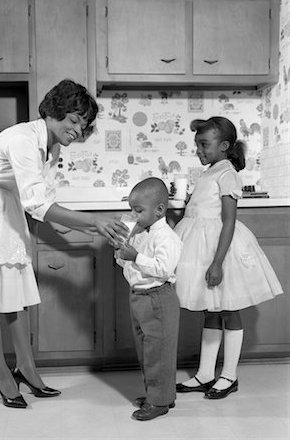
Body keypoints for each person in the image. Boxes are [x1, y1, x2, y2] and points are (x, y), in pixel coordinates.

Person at [0, 79, 127, 409]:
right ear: (53, 113)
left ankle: (25, 368)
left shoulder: (51, 147)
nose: (78, 129)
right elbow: (37, 204)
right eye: (73, 120)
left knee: (16, 291)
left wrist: (73, 229)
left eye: (83, 124)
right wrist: (92, 221)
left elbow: (42, 200)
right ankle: (1, 373)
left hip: (3, 205)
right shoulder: (24, 139)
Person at [174, 117, 283, 399]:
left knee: (228, 309)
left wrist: (217, 262)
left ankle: (229, 375)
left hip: (219, 250)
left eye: (204, 144)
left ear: (223, 146)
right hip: (201, 245)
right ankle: (205, 373)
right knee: (212, 309)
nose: (198, 150)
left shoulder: (227, 174)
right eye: (197, 144)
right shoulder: (211, 171)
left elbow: (229, 221)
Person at [113, 177, 182, 421]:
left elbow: (163, 268)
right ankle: (159, 394)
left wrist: (136, 256)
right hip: (139, 297)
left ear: (159, 210)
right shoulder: (141, 232)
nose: (133, 215)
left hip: (158, 298)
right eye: (131, 209)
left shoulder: (167, 237)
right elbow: (125, 262)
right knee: (146, 351)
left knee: (158, 352)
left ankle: (159, 402)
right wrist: (120, 250)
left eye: (138, 210)